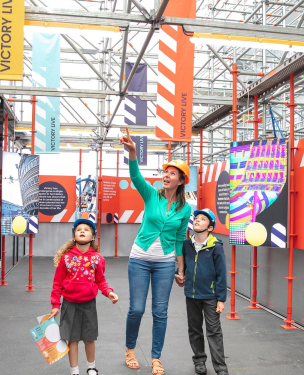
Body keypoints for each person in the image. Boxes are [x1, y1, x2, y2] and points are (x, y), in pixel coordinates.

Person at [119, 127, 192, 375]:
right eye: (166, 172)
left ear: (181, 180)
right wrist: (132, 153)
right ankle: (130, 349)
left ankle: (156, 357)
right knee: (137, 308)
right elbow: (136, 177)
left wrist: (180, 269)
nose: (167, 175)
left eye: (172, 174)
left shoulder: (185, 209)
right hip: (139, 259)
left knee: (160, 311)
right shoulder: (152, 195)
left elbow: (181, 240)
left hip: (165, 263)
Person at [50, 219, 119, 375]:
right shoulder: (66, 258)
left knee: (89, 338)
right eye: (78, 229)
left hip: (89, 305)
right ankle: (74, 370)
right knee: (72, 340)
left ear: (93, 236)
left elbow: (100, 280)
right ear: (74, 236)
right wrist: (55, 305)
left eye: (86, 229)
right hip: (69, 305)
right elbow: (57, 283)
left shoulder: (97, 259)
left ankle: (91, 367)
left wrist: (109, 292)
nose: (82, 231)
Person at [178, 208, 229, 375]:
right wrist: (178, 275)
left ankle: (220, 368)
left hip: (211, 296)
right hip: (191, 295)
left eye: (203, 219)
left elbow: (221, 274)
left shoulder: (216, 247)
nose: (197, 220)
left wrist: (221, 299)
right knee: (194, 329)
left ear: (210, 227)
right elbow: (180, 265)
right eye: (196, 218)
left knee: (214, 331)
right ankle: (199, 361)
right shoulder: (186, 244)